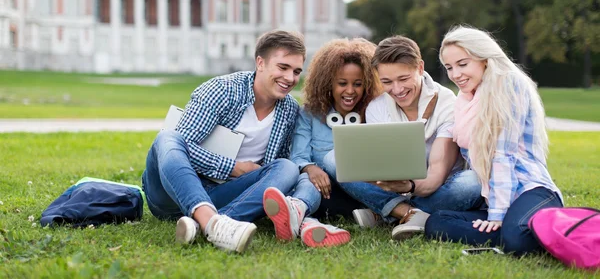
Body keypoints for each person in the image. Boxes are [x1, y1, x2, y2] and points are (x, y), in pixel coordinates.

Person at [141, 30, 305, 254]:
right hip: (173, 192)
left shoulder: (290, 110)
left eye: (296, 72)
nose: (290, 78)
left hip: (225, 194)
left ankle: (210, 224)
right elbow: (184, 144)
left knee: (287, 168)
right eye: (283, 67)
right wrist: (235, 168)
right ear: (260, 63)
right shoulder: (222, 90)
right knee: (168, 138)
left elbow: (278, 167)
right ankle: (212, 221)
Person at [323, 35, 483, 240]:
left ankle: (384, 213)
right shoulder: (377, 107)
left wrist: (409, 186)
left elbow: (436, 176)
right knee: (333, 158)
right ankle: (406, 214)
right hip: (393, 189)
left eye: (404, 79)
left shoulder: (447, 105)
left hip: (438, 188)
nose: (397, 90)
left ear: (420, 68)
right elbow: (378, 164)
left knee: (472, 183)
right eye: (387, 82)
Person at [425, 26, 563, 255]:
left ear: (484, 59)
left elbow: (503, 154)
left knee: (517, 242)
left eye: (462, 64)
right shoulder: (465, 98)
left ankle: (520, 228)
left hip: (528, 189)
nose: (455, 74)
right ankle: (517, 230)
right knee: (436, 223)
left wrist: (498, 214)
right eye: (449, 67)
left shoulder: (508, 84)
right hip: (491, 195)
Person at [261, 38, 382, 247]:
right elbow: (298, 156)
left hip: (361, 193)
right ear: (329, 82)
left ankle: (302, 219)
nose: (350, 91)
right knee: (307, 180)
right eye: (342, 83)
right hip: (322, 193)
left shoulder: (374, 113)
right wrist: (310, 168)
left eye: (358, 84)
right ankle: (304, 218)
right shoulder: (309, 114)